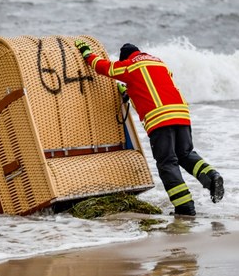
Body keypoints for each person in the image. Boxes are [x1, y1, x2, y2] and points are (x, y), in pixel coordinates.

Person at [74, 40, 224, 216]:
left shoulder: (131, 65)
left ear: (126, 58)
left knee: (167, 163)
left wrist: (86, 52)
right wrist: (129, 91)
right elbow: (152, 87)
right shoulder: (158, 63)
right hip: (182, 114)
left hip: (160, 119)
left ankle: (185, 208)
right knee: (185, 154)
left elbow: (104, 67)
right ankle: (212, 177)